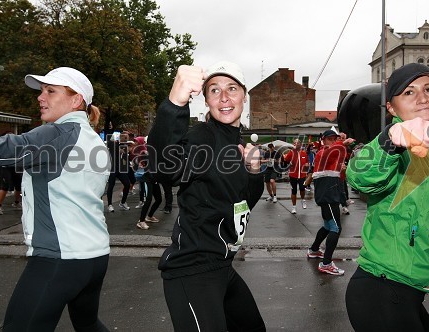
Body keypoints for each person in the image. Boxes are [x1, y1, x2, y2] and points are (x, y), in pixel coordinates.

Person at [345, 63, 429, 331]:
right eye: (408, 92)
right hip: (381, 289)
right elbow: (359, 176)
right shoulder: (391, 147)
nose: (422, 97)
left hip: (412, 292)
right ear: (391, 108)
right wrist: (390, 141)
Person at [0, 67, 111, 331]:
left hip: (60, 258)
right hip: (96, 256)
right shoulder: (95, 141)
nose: (41, 97)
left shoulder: (55, 134)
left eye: (51, 91)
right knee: (87, 324)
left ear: (76, 101)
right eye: (41, 91)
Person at [149, 61, 266, 331]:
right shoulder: (203, 137)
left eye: (232, 89)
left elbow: (244, 204)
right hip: (192, 270)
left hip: (222, 266)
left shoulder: (237, 143)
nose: (224, 97)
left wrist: (254, 171)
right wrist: (174, 105)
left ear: (244, 95)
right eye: (214, 90)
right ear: (206, 99)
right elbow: (163, 170)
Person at [307, 130, 353, 276]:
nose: (333, 141)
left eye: (334, 139)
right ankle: (326, 263)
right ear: (323, 140)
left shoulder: (328, 153)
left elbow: (340, 178)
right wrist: (342, 142)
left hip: (329, 193)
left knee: (328, 225)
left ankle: (314, 250)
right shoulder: (323, 152)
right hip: (327, 195)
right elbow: (334, 151)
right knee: (336, 228)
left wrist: (343, 170)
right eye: (330, 139)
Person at [282, 138, 309, 214]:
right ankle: (294, 207)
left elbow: (307, 162)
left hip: (302, 174)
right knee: (294, 190)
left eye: (297, 143)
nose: (296, 144)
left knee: (302, 188)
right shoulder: (291, 152)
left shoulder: (304, 153)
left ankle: (303, 200)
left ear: (300, 144)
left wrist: (307, 165)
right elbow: (286, 160)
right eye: (294, 143)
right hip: (293, 174)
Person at [106, 132, 131, 212]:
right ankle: (110, 204)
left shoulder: (122, 145)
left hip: (120, 169)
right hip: (112, 168)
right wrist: (116, 136)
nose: (126, 139)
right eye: (125, 137)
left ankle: (123, 202)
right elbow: (112, 142)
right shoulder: (112, 144)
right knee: (111, 185)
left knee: (127, 184)